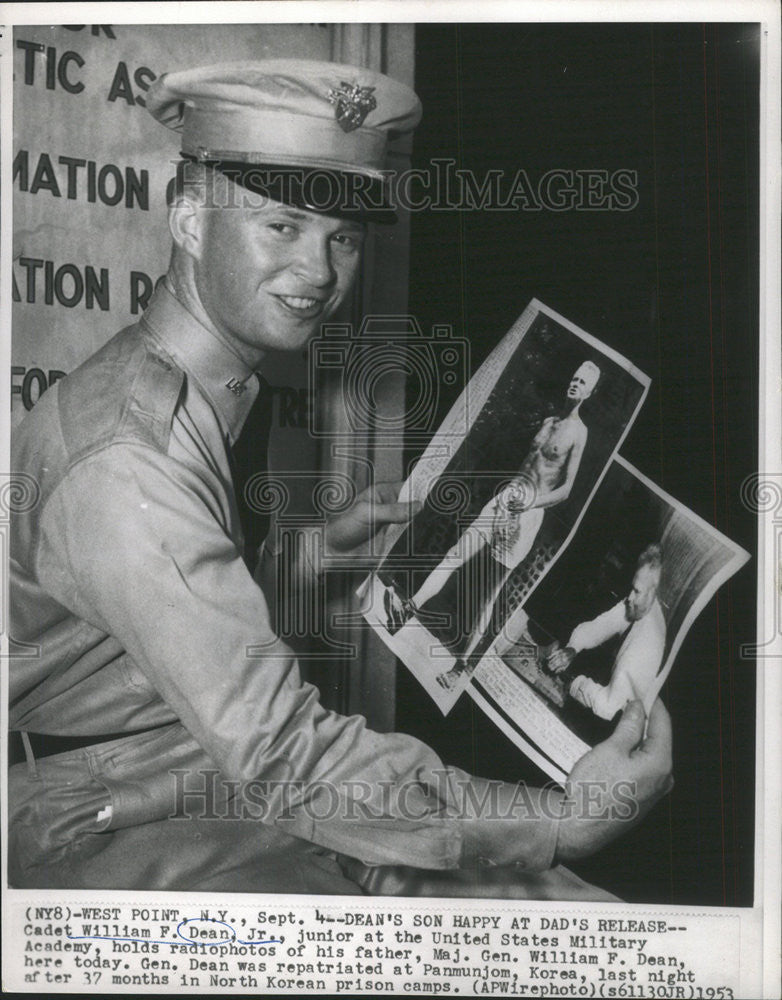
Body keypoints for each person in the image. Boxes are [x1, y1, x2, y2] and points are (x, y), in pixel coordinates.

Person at [8, 59, 671, 897]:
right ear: (187, 219)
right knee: (526, 910)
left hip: (187, 762)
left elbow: (145, 634)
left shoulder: (195, 382)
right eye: (281, 224)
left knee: (553, 908)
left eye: (343, 235)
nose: (320, 270)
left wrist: (307, 559)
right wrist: (559, 820)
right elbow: (286, 754)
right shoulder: (132, 456)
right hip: (97, 812)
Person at [385, 361, 600, 690]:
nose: (575, 383)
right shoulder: (548, 421)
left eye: (582, 381)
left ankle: (462, 668)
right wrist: (508, 494)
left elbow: (566, 490)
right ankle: (407, 609)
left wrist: (528, 503)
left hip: (527, 514)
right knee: (454, 555)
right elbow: (528, 465)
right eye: (573, 376)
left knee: (489, 596)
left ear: (590, 391)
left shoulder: (580, 433)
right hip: (504, 499)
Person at [548, 544, 667, 720]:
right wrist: (573, 648)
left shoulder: (647, 644)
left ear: (654, 594)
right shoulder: (640, 604)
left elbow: (608, 707)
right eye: (632, 587)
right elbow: (602, 626)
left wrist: (572, 683)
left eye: (637, 591)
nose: (629, 597)